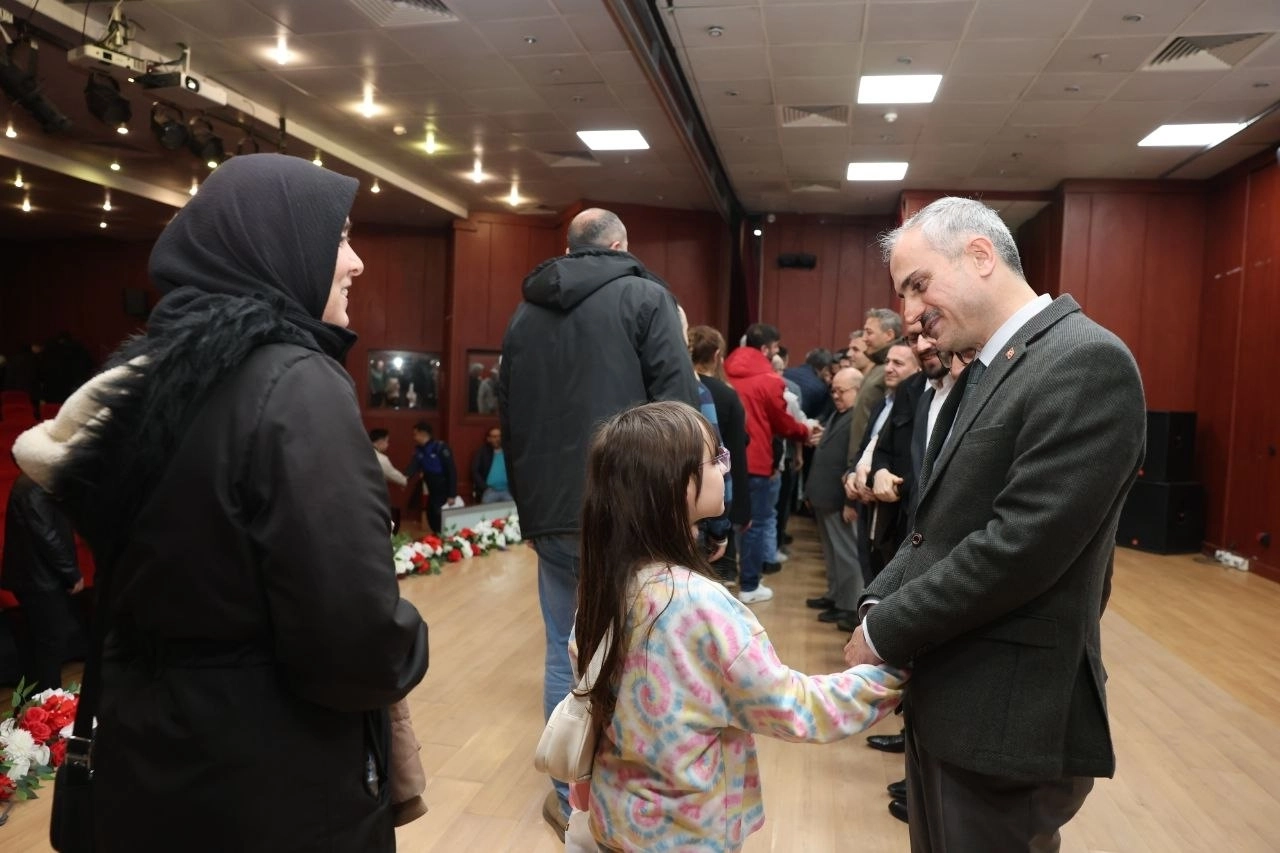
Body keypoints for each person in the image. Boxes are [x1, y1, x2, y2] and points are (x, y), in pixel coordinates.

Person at [12, 153, 429, 851]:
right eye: (339, 238)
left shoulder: (148, 381)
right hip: (274, 789)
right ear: (278, 245)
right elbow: (355, 649)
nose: (356, 263)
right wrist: (409, 638)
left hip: (150, 773)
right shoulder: (296, 384)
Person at [846, 196, 1146, 853]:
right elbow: (935, 525)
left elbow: (1019, 548)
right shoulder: (992, 366)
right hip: (954, 698)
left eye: (918, 285)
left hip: (1008, 716)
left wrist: (883, 630)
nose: (909, 313)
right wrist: (876, 601)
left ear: (980, 256)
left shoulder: (1084, 361)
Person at [565, 401, 906, 852]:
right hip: (686, 834)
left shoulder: (605, 582)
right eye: (715, 459)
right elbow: (795, 707)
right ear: (675, 484)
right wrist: (894, 672)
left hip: (617, 815)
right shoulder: (699, 604)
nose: (726, 468)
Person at [498, 207, 701, 838]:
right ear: (621, 244)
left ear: (570, 249)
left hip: (549, 510)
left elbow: (507, 413)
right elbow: (678, 408)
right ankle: (624, 804)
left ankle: (570, 798)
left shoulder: (524, 314)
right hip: (627, 505)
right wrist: (696, 503)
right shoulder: (646, 297)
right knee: (639, 650)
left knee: (565, 648)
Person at [723, 323, 818, 605]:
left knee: (719, 520)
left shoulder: (724, 371)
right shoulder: (769, 380)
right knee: (755, 523)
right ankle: (750, 585)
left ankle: (722, 577)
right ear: (765, 349)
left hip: (720, 458)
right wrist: (805, 431)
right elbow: (783, 423)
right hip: (756, 460)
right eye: (775, 348)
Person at [1, 473, 84, 691]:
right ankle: (50, 702)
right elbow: (46, 535)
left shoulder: (34, 481)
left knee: (43, 647)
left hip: (38, 578)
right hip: (39, 581)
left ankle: (42, 701)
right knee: (49, 647)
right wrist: (72, 573)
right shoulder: (34, 485)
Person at [803, 367, 865, 629]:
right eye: (834, 390)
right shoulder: (839, 414)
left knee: (846, 554)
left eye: (842, 391)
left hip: (840, 500)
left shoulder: (858, 418)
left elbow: (854, 462)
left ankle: (849, 606)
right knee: (832, 553)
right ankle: (835, 595)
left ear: (858, 390)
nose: (836, 395)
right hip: (824, 496)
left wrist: (851, 502)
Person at [404, 421, 459, 535]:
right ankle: (437, 535)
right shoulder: (419, 450)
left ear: (423, 434)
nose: (414, 437)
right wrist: (403, 479)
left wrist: (452, 494)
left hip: (443, 489)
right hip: (431, 489)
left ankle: (443, 537)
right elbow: (413, 466)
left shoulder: (440, 447)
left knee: (438, 515)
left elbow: (451, 471)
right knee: (430, 514)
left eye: (415, 434)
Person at [471, 425, 512, 503]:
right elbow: (475, 471)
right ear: (489, 439)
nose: (498, 439)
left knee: (511, 510)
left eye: (500, 436)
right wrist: (484, 487)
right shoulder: (482, 452)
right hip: (490, 492)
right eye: (494, 437)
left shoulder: (509, 452)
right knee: (487, 511)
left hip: (507, 491)